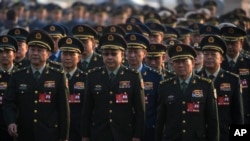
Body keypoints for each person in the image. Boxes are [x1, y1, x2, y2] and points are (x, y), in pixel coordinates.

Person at [3, 30, 70, 141]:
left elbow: (64, 110)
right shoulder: (18, 75)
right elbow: (9, 102)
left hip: (49, 134)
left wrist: (64, 137)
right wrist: (11, 122)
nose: (35, 53)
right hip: (24, 134)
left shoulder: (57, 76)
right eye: (32, 50)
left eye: (40, 50)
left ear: (48, 54)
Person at [82, 33, 145, 141]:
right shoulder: (93, 76)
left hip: (124, 133)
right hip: (99, 133)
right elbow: (87, 109)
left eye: (114, 54)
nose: (110, 57)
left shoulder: (132, 76)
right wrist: (85, 135)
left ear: (122, 55)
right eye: (106, 54)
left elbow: (140, 110)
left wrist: (137, 135)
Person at [156, 44, 219, 141]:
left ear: (193, 63)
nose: (180, 65)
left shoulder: (205, 85)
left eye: (184, 61)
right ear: (172, 65)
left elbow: (212, 121)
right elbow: (160, 120)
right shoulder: (165, 86)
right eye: (177, 62)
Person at [199, 35, 244, 141]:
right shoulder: (196, 79)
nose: (209, 57)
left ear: (221, 58)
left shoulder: (232, 80)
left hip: (225, 135)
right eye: (206, 54)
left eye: (213, 54)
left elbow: (238, 115)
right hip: (201, 136)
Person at [125, 33, 163, 141]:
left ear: (144, 53)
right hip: (124, 131)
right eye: (129, 51)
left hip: (148, 131)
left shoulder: (155, 77)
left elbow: (159, 108)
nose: (132, 55)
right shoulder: (120, 75)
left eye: (136, 52)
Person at [58, 36, 86, 141]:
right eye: (65, 54)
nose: (68, 58)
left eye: (71, 54)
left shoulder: (86, 79)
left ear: (79, 58)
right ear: (61, 56)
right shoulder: (54, 77)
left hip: (79, 130)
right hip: (57, 130)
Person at [220, 26, 250, 124]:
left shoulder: (248, 63)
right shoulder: (218, 64)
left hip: (246, 115)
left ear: (241, 43)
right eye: (227, 43)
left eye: (233, 43)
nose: (229, 47)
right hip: (223, 118)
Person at [0, 35, 18, 141]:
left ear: (14, 54)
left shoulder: (21, 74)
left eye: (7, 52)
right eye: (1, 52)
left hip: (17, 125)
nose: (4, 55)